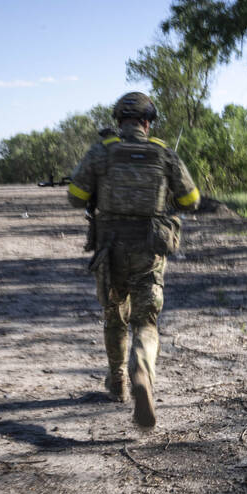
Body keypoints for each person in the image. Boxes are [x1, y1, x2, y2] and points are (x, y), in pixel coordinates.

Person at [67, 92, 200, 428]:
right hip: (149, 250)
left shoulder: (101, 152)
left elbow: (75, 197)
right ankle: (141, 369)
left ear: (119, 121)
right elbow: (191, 199)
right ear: (147, 122)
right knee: (146, 322)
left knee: (115, 315)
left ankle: (118, 382)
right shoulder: (163, 154)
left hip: (110, 249)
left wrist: (98, 189)